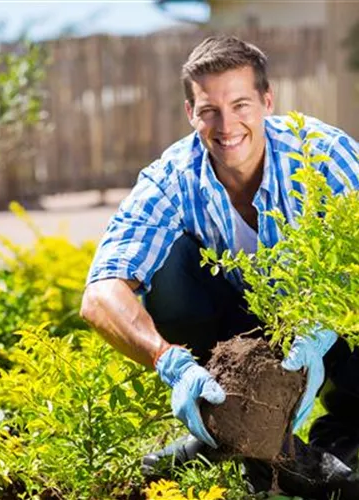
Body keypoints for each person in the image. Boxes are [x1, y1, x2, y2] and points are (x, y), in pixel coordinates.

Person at [80, 35, 359, 495]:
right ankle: (238, 427)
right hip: (237, 343)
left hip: (328, 327)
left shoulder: (322, 155)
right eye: (209, 109)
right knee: (166, 267)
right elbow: (100, 293)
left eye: (241, 104)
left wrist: (321, 331)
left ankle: (343, 429)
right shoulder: (172, 177)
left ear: (267, 102)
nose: (226, 125)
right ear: (191, 113)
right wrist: (168, 360)